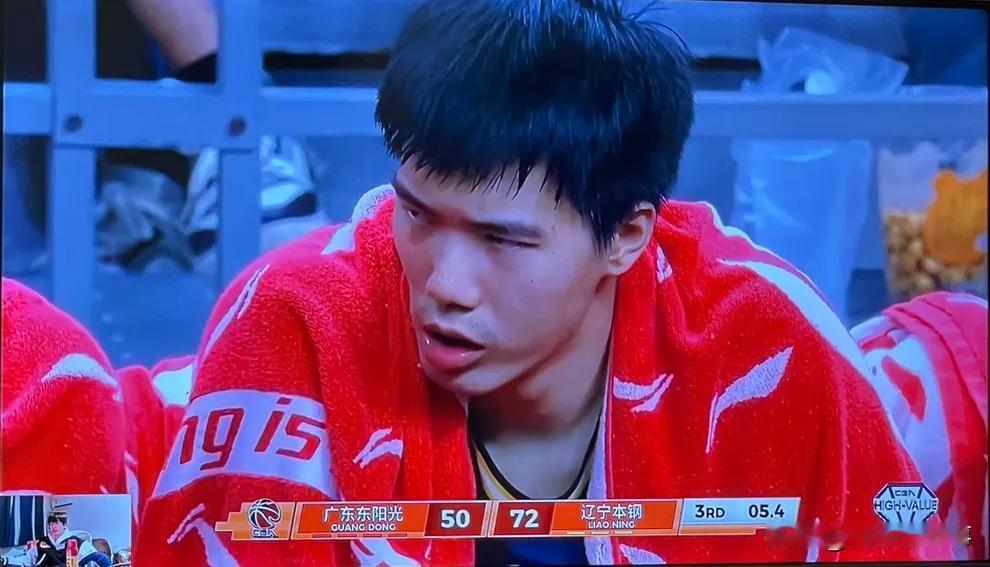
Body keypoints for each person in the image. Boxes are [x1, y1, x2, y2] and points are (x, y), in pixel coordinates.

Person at [128, 1, 957, 565]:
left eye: (502, 239)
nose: (445, 284)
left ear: (626, 235)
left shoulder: (766, 342)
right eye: (416, 214)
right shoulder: (295, 315)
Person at [26, 512, 111, 567]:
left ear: (64, 525)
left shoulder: (76, 541)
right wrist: (31, 550)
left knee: (103, 558)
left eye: (57, 523)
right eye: (51, 524)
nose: (54, 526)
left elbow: (96, 557)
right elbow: (28, 560)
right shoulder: (41, 542)